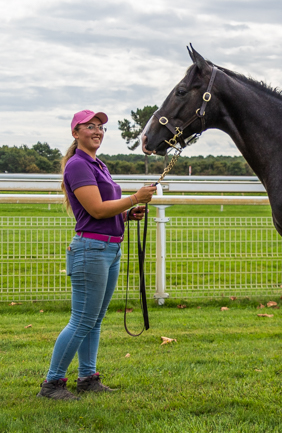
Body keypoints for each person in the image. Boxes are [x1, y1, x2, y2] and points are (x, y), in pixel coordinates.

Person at [38, 110, 157, 400]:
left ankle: (88, 377)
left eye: (101, 127)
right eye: (90, 126)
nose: (97, 131)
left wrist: (127, 214)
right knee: (81, 320)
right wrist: (135, 197)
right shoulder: (78, 165)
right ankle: (52, 384)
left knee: (94, 320)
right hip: (91, 250)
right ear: (75, 133)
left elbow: (104, 210)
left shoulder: (97, 164)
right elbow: (96, 210)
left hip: (108, 248)